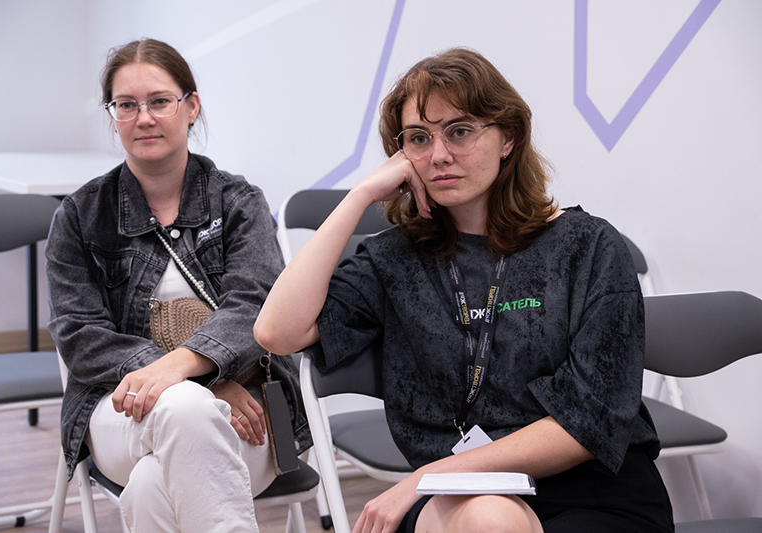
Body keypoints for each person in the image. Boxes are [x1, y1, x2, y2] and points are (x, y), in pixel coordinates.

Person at [254, 47, 674, 533]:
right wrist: (360, 196)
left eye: (459, 131)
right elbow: (275, 331)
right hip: (462, 497)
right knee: (488, 520)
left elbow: (590, 419)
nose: (438, 155)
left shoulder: (589, 246)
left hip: (595, 491)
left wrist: (426, 477)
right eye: (418, 138)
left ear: (508, 137)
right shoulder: (395, 260)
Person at [46, 38, 309, 533]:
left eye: (160, 101)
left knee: (151, 484)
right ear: (113, 115)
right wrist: (199, 380)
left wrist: (185, 368)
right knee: (185, 406)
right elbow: (81, 335)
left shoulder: (239, 202)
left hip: (248, 404)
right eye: (127, 105)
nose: (144, 118)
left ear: (191, 107)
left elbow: (255, 308)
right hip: (119, 408)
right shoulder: (81, 215)